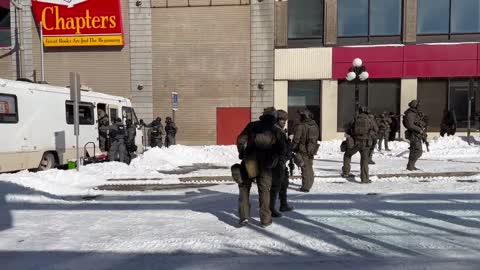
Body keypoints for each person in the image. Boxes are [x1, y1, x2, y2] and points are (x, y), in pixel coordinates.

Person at [236, 107, 287, 227]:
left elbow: (240, 140)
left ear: (263, 115)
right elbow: (283, 149)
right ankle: (265, 220)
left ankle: (244, 216)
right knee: (264, 191)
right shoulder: (277, 130)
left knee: (244, 186)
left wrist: (242, 153)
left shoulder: (252, 125)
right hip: (266, 164)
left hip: (250, 161)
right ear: (274, 117)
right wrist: (276, 158)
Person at [341, 106, 375, 184]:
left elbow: (347, 128)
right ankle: (364, 179)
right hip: (366, 143)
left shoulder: (355, 118)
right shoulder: (370, 119)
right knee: (364, 161)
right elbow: (376, 130)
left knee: (347, 155)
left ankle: (346, 172)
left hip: (355, 142)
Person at [270, 110, 294, 218]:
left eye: (285, 120)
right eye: (281, 120)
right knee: (276, 186)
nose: (284, 122)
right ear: (277, 120)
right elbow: (284, 150)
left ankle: (283, 204)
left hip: (280, 162)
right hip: (277, 162)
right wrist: (289, 141)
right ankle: (271, 208)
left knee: (284, 183)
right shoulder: (277, 131)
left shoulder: (279, 130)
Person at [291, 109, 319, 192]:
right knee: (309, 166)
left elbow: (296, 139)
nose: (300, 117)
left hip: (303, 150)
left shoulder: (301, 126)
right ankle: (310, 183)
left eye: (301, 116)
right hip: (312, 149)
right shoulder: (314, 125)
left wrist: (292, 148)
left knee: (304, 167)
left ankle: (305, 187)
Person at [403, 100, 426, 171]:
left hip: (416, 134)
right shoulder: (410, 114)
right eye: (418, 105)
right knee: (418, 151)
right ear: (415, 105)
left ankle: (410, 166)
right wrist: (419, 129)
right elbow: (410, 125)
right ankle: (411, 165)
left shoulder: (415, 113)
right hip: (414, 134)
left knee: (413, 151)